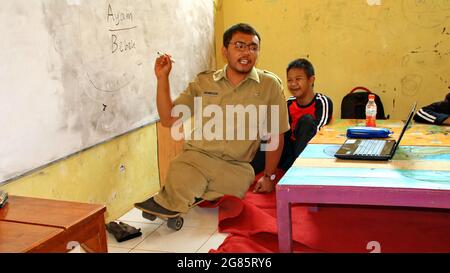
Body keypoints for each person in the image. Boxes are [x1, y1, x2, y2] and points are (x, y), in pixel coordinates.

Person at [135, 23, 290, 216]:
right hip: (196, 158)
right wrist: (162, 79)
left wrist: (269, 176)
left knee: (231, 195)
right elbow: (168, 119)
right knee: (182, 179)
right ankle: (177, 197)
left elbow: (275, 136)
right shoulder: (204, 82)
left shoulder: (270, 86)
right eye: (240, 46)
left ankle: (184, 196)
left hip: (236, 167)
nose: (247, 53)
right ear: (225, 51)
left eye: (253, 47)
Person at [251, 58, 333, 174]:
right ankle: (249, 172)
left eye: (298, 79)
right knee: (271, 129)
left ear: (311, 80)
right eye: (289, 80)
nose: (293, 84)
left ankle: (299, 171)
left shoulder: (322, 101)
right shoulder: (289, 103)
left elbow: (319, 132)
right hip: (289, 155)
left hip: (309, 154)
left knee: (307, 121)